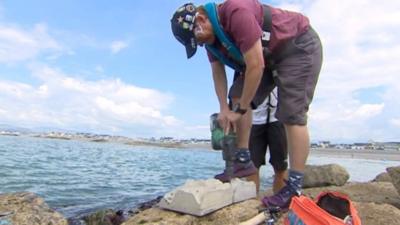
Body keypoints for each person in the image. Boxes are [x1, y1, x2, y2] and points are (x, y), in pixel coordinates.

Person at [170, 0, 323, 210]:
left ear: (202, 20)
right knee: (236, 95)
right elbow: (218, 73)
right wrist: (224, 108)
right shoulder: (211, 41)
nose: (203, 45)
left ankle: (294, 187)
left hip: (297, 46)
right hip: (269, 57)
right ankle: (242, 159)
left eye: (198, 39)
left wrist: (241, 110)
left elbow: (256, 65)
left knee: (291, 113)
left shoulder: (236, 12)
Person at [247, 86, 288, 193]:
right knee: (251, 168)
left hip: (279, 118)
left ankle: (280, 202)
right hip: (253, 119)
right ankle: (251, 203)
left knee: (280, 167)